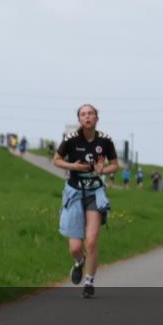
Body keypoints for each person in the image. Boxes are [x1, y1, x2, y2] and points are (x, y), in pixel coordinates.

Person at [53, 104, 119, 299]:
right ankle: (79, 261)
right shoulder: (71, 139)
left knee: (91, 241)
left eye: (90, 114)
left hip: (94, 193)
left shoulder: (105, 141)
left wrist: (102, 170)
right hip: (74, 192)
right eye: (83, 114)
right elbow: (56, 160)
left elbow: (114, 165)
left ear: (97, 118)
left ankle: (89, 282)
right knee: (75, 247)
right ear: (79, 120)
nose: (87, 117)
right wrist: (72, 165)